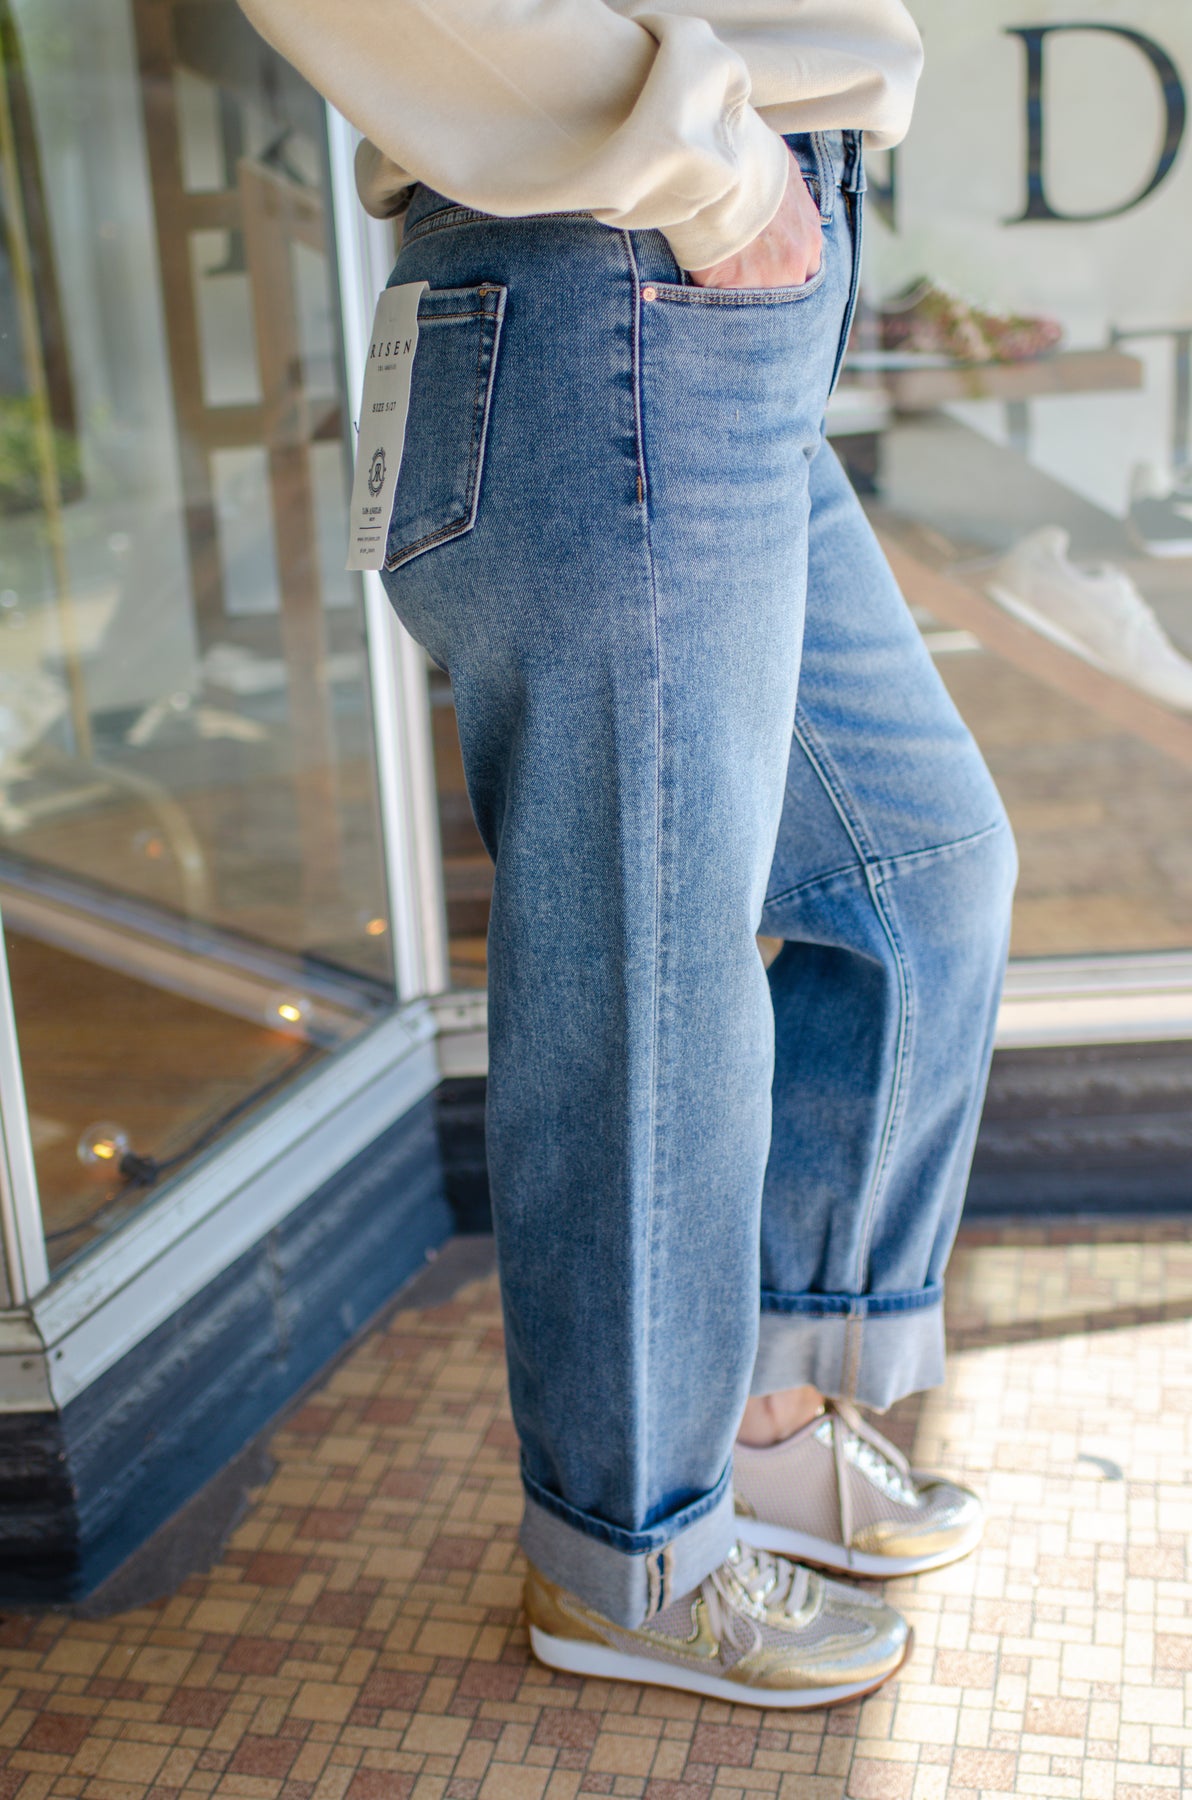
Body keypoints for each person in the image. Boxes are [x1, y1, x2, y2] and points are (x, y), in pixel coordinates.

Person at [238, 0, 1017, 1708]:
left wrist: (749, 198)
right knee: (648, 1002)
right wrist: (716, 180)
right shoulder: (683, 191)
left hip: (717, 305)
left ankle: (762, 1420)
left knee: (919, 868)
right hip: (615, 273)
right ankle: (630, 1553)